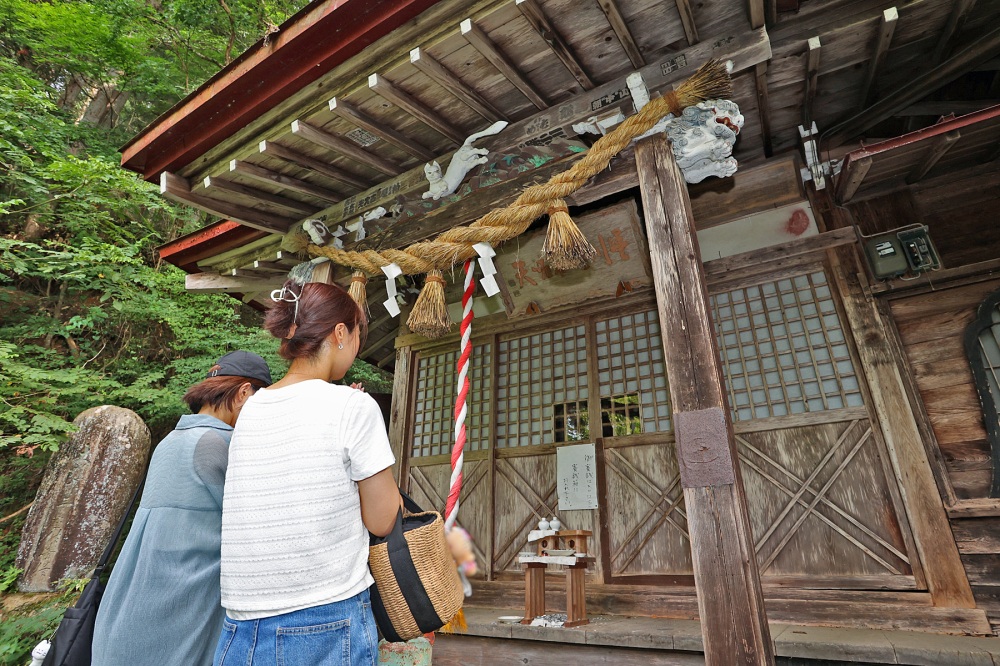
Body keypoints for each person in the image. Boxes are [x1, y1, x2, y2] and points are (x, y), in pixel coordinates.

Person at [214, 282, 401, 666]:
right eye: (357, 336)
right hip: (325, 615)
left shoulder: (252, 409)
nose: (357, 348)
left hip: (240, 622)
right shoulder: (353, 405)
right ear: (340, 333)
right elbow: (382, 521)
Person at [92, 351, 273, 666]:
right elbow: (258, 527)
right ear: (244, 393)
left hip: (131, 613)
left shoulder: (172, 440)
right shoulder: (217, 444)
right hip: (177, 622)